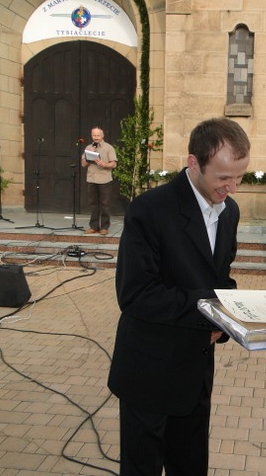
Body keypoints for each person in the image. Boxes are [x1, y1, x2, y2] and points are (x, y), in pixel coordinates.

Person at [107, 117, 251, 476]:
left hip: (195, 370)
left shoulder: (229, 211)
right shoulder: (150, 209)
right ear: (193, 163)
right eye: (223, 177)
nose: (232, 187)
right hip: (149, 370)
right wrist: (211, 314)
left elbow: (219, 280)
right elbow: (136, 294)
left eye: (240, 177)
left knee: (190, 466)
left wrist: (233, 312)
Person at [81, 126, 117, 235]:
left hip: (104, 180)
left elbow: (114, 164)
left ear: (102, 136)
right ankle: (94, 227)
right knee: (93, 204)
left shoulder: (108, 147)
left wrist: (104, 164)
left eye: (98, 135)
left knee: (105, 204)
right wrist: (89, 155)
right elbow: (83, 164)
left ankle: (104, 227)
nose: (96, 137)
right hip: (91, 179)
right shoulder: (88, 147)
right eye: (94, 135)